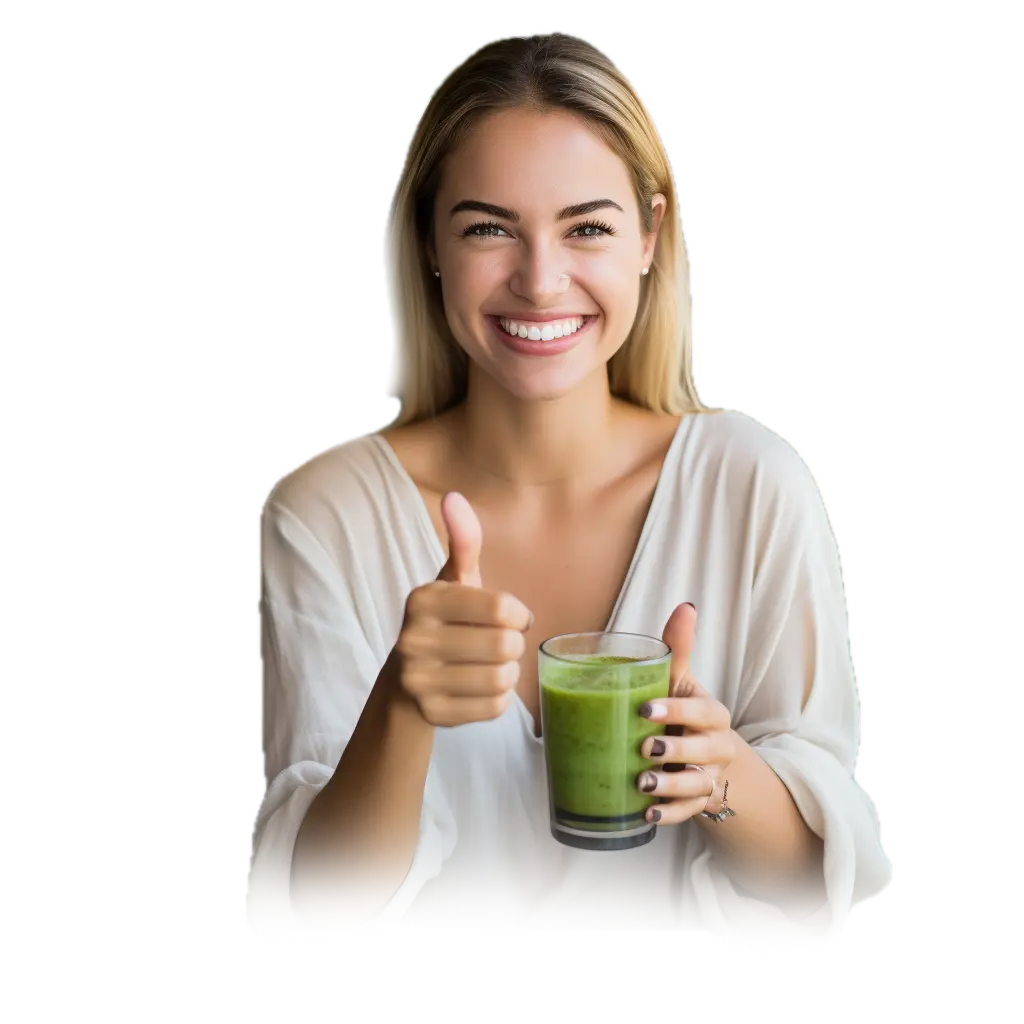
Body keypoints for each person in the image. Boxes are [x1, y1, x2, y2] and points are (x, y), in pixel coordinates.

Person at [248, 30, 892, 951]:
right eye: (487, 228)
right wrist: (401, 701)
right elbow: (323, 914)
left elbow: (809, 902)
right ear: (430, 238)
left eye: (587, 226)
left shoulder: (753, 487)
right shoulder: (326, 511)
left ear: (650, 238)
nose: (540, 281)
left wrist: (722, 777)